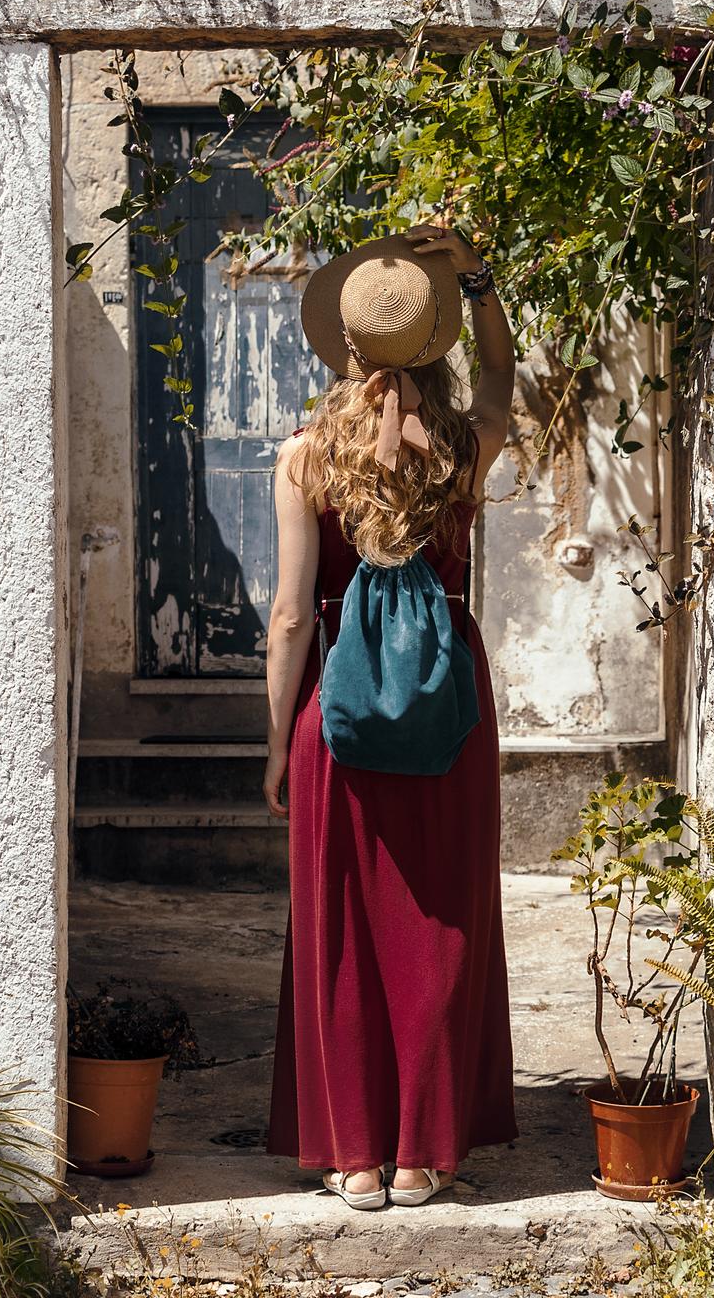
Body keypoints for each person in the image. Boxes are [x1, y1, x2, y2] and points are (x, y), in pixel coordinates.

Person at [261, 223, 519, 1209]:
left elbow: (290, 614)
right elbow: (501, 369)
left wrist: (277, 736)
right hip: (450, 711)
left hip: (344, 714)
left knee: (346, 933)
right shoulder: (462, 447)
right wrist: (475, 271)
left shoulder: (303, 457)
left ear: (345, 342)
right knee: (439, 924)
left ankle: (354, 1156)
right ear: (435, 343)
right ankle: (422, 1155)